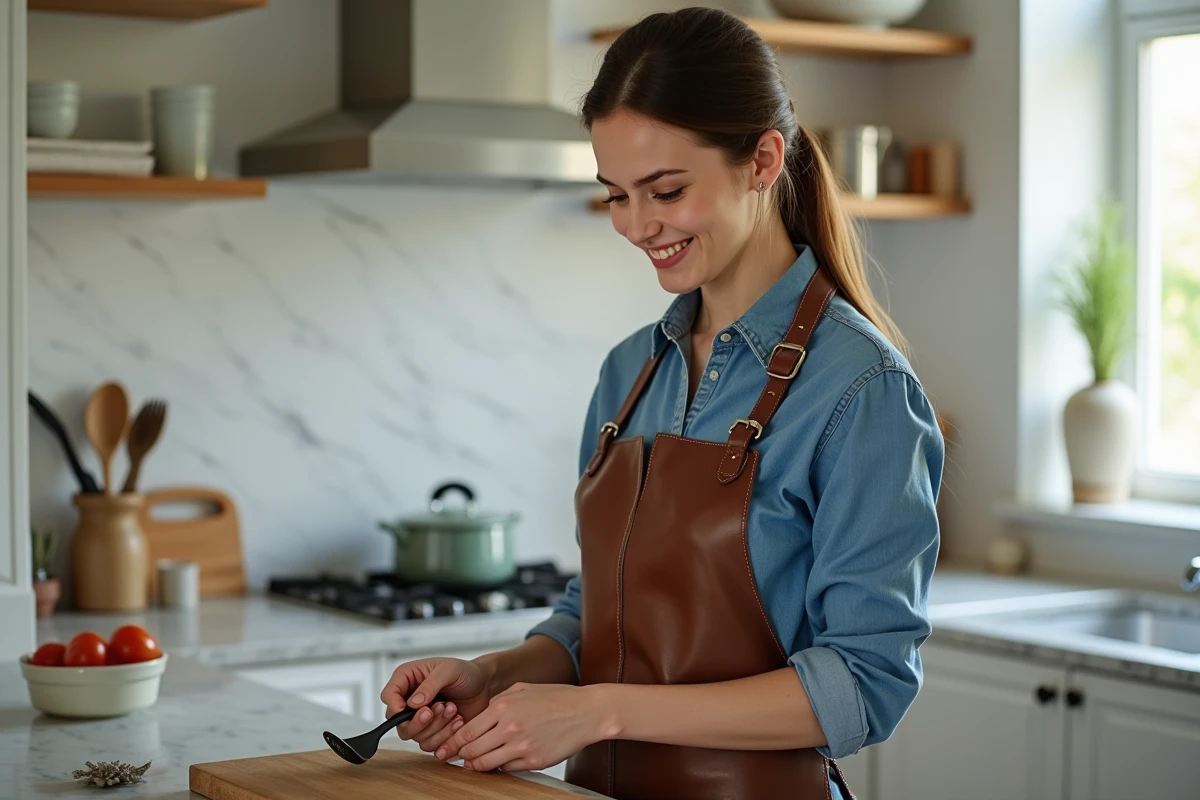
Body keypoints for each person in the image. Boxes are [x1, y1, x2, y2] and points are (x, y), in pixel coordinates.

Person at [379, 7, 944, 800]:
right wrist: (492, 675)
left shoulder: (861, 389)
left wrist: (600, 713)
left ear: (761, 161)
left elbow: (864, 683)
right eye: (615, 195)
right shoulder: (629, 375)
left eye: (666, 190)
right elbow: (597, 619)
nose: (639, 225)